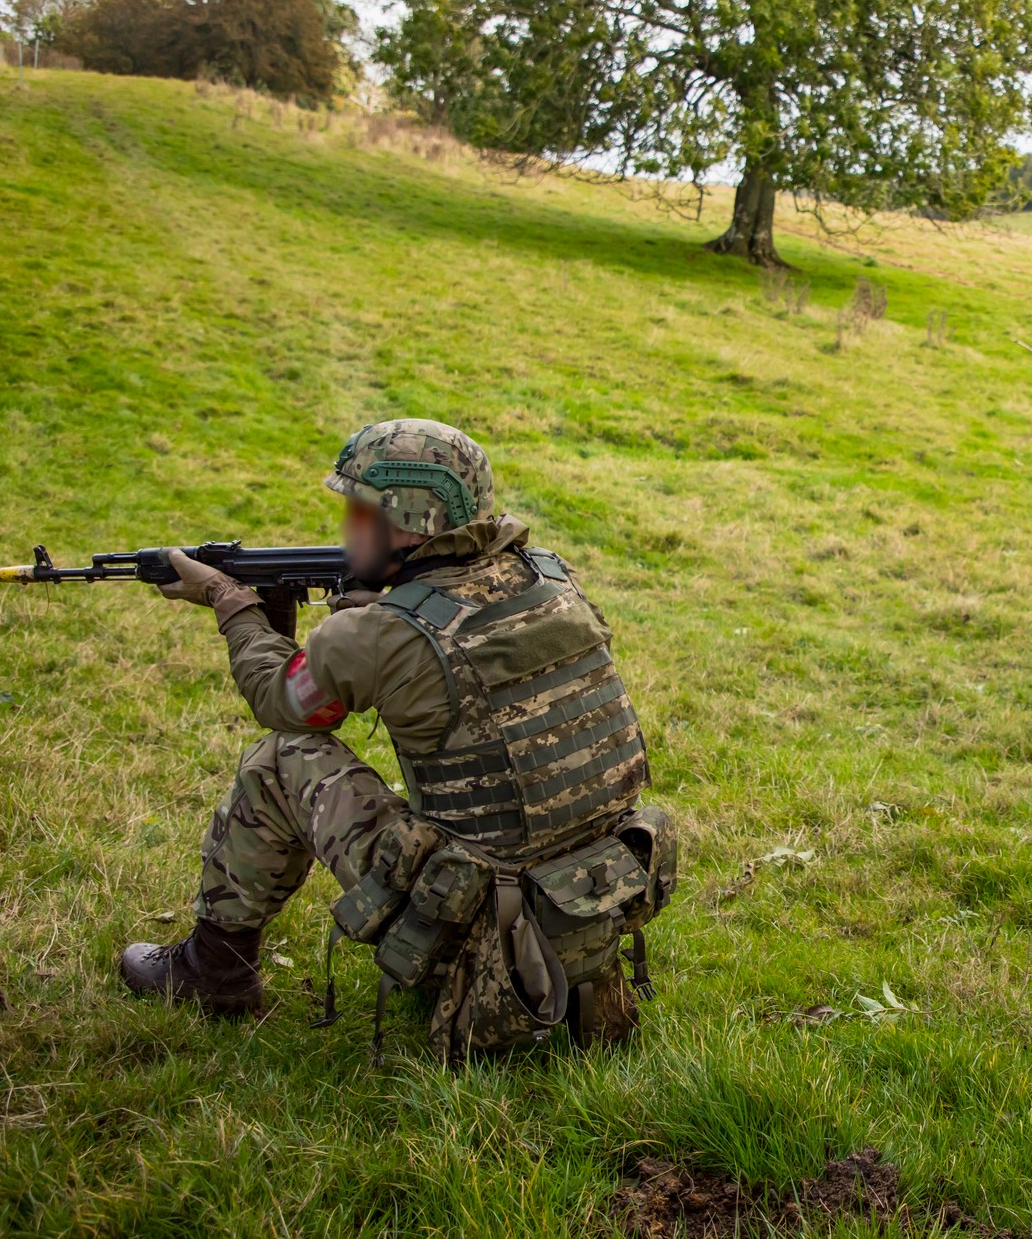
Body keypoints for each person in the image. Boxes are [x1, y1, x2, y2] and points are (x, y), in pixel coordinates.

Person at [119, 419, 673, 1058]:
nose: (345, 526)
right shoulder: (551, 579)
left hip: (475, 929)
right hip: (588, 905)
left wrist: (230, 602)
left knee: (281, 759)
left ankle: (212, 971)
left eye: (358, 509)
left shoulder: (378, 634)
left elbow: (285, 705)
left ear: (407, 521)